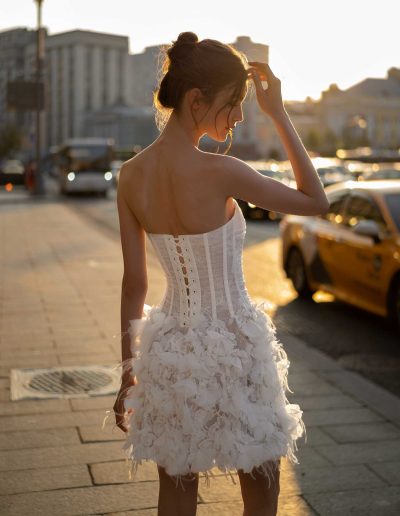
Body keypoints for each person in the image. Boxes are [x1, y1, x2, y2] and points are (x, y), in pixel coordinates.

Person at [104, 31, 329, 516]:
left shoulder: (131, 176)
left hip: (168, 350)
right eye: (235, 102)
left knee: (177, 491)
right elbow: (317, 200)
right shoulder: (223, 172)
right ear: (195, 99)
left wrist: (128, 375)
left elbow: (133, 285)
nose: (242, 115)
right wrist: (280, 114)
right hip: (236, 346)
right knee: (261, 487)